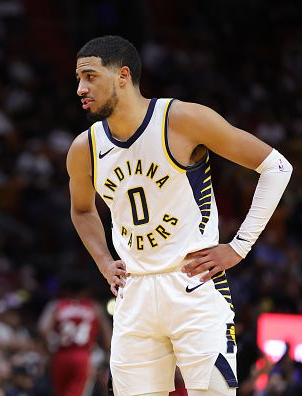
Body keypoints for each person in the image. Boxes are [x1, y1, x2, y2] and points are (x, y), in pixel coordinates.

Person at [67, 35, 292, 395]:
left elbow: (277, 167)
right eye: (78, 79)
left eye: (90, 76)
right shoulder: (84, 148)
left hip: (193, 285)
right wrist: (103, 261)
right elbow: (81, 210)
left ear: (123, 75)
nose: (81, 88)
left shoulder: (182, 119)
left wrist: (239, 246)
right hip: (133, 292)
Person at [38, 275, 112, 396]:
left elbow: (43, 329)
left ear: (65, 290)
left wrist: (48, 351)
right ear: (86, 290)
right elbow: (107, 334)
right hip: (82, 356)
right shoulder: (93, 307)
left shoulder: (56, 306)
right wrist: (104, 354)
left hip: (60, 355)